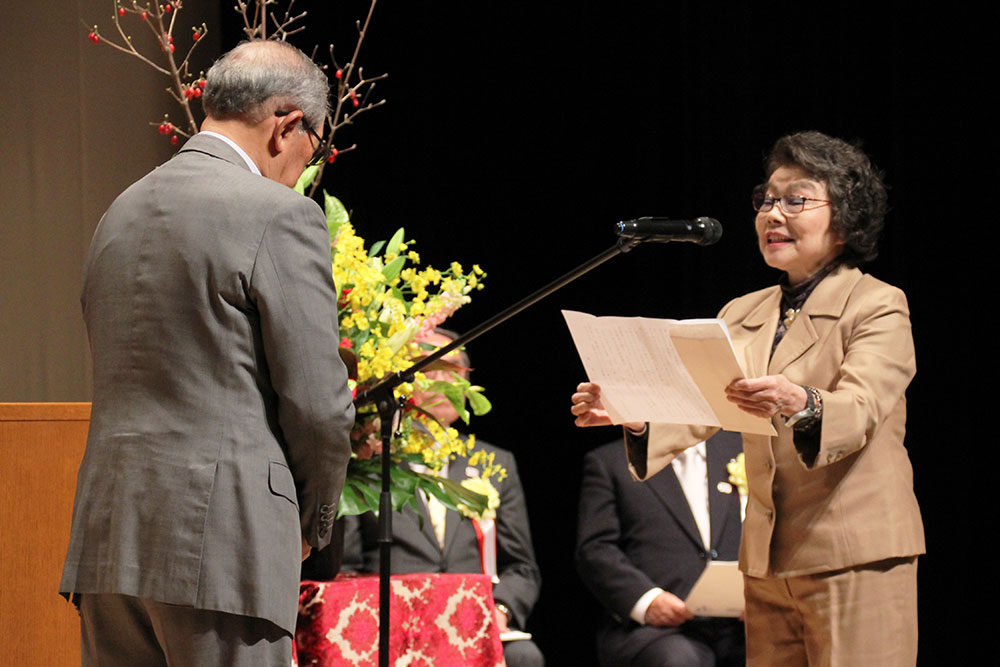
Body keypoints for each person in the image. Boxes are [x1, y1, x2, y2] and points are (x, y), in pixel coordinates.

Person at [571, 131, 924, 665]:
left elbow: (862, 408)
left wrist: (799, 400)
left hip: (852, 554)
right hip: (767, 562)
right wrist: (634, 415)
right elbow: (702, 407)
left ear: (845, 218)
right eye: (766, 198)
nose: (772, 214)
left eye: (795, 199)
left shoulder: (876, 304)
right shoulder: (742, 311)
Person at [59, 40, 356, 666]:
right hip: (224, 544)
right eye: (315, 147)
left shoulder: (119, 211)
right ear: (287, 125)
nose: (307, 165)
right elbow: (320, 407)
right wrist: (313, 524)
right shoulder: (280, 215)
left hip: (109, 541)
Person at [342, 331, 545, 667]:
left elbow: (522, 568)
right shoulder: (368, 458)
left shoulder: (495, 464)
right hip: (392, 627)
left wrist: (500, 611)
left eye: (451, 370)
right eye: (428, 369)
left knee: (524, 657)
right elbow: (346, 569)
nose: (440, 381)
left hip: (473, 622)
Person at [576, 431, 745, 667]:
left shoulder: (741, 448)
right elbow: (595, 549)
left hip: (741, 624)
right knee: (678, 660)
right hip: (656, 630)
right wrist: (647, 600)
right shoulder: (612, 461)